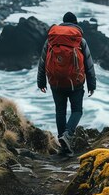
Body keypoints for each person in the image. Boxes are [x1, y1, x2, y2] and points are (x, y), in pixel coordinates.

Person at [37, 12, 96, 155]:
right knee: (77, 110)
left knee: (60, 111)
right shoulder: (79, 40)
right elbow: (89, 63)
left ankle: (62, 142)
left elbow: (43, 61)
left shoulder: (51, 39)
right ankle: (67, 135)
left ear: (63, 23)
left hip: (55, 81)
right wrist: (91, 84)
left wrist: (41, 82)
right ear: (75, 23)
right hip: (75, 82)